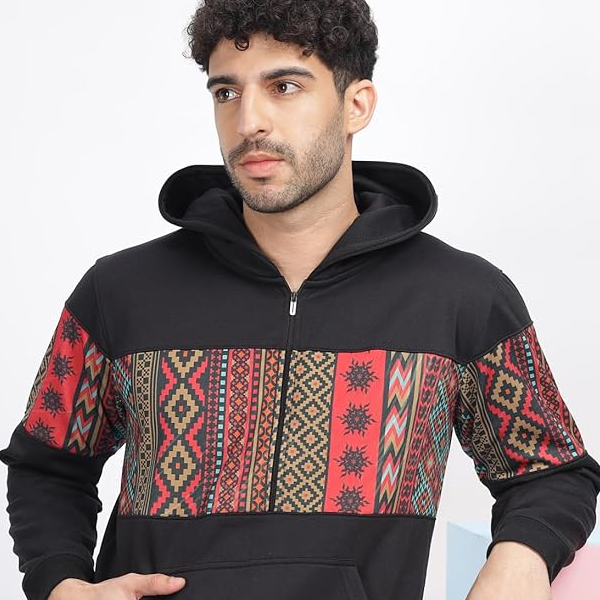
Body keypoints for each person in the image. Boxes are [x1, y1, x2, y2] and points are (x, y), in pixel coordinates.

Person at [1, 1, 599, 599]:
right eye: (226, 93)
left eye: (283, 86)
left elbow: (552, 471)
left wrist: (520, 559)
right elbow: (47, 464)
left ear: (356, 105)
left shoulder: (461, 297)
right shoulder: (121, 291)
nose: (248, 122)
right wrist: (62, 584)